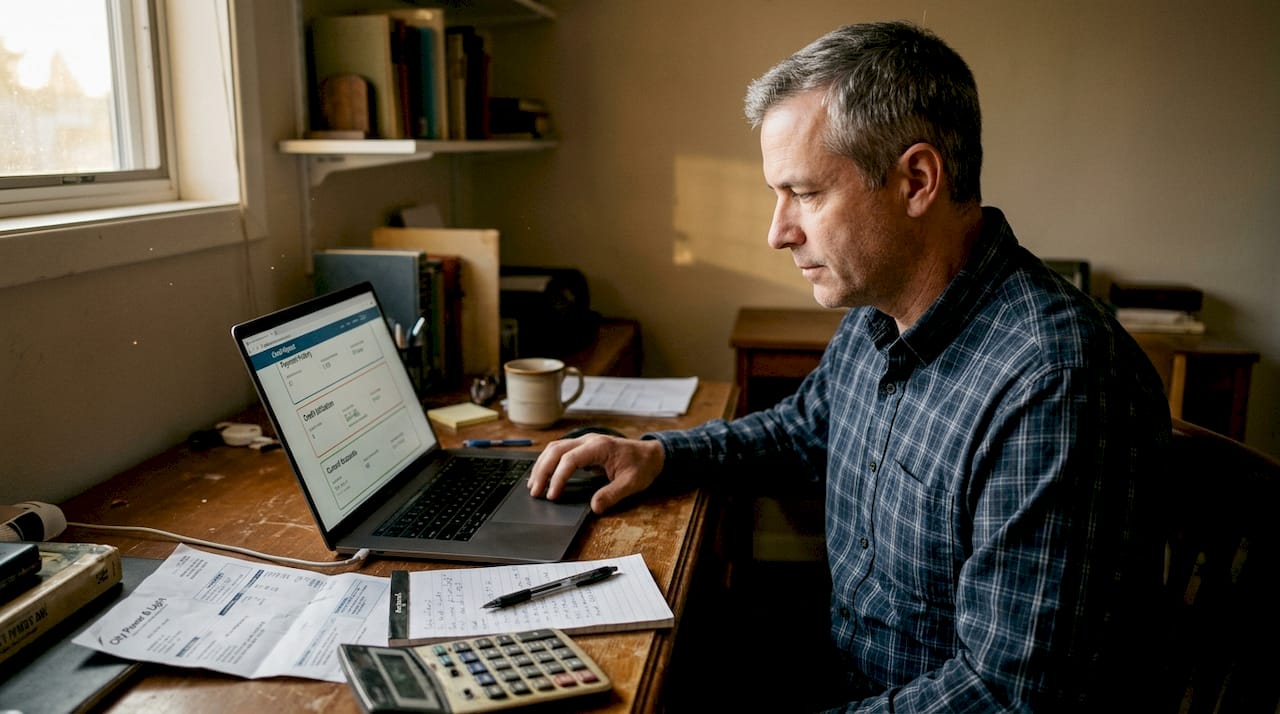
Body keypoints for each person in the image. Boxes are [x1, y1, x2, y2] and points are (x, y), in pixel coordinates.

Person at [530, 21, 1170, 712]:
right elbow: (802, 431)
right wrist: (656, 456)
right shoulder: (879, 309)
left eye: (804, 193)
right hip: (844, 673)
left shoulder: (1056, 384)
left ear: (917, 180)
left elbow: (1007, 697)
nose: (778, 232)